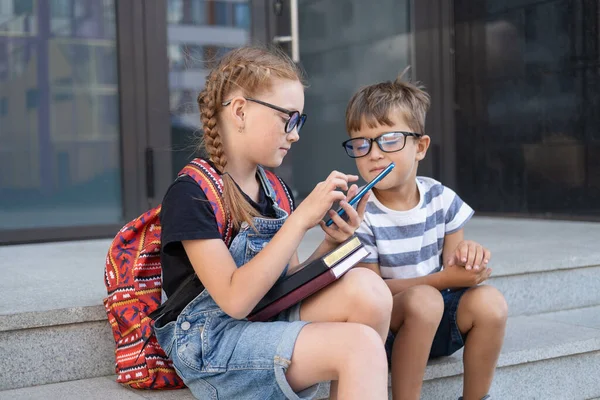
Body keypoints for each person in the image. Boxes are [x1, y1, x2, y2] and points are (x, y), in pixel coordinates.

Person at [153, 46, 392, 400]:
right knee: (361, 347)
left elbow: (286, 287)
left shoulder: (276, 190)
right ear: (240, 111)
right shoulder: (193, 193)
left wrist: (329, 243)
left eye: (300, 122)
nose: (295, 134)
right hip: (210, 341)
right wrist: (299, 221)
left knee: (369, 290)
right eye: (288, 119)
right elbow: (235, 300)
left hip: (262, 316)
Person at [342, 72, 508, 400]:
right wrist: (445, 278)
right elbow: (374, 293)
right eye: (361, 144)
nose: (373, 154)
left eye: (389, 140)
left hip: (437, 322)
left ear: (420, 147)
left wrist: (470, 256)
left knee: (492, 303)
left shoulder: (440, 198)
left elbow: (456, 267)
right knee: (425, 300)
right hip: (386, 331)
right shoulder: (359, 213)